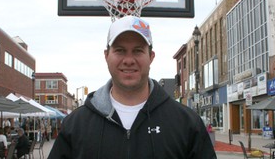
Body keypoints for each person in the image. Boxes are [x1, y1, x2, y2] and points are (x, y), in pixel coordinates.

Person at [48, 16, 217, 159]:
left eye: (137, 51)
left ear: (151, 57)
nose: (129, 60)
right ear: (106, 56)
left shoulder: (186, 123)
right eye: (120, 50)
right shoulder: (76, 125)